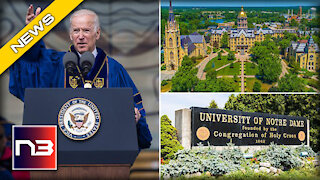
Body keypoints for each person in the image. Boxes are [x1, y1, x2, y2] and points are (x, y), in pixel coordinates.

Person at [9, 5, 152, 149]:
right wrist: (31, 33)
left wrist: (135, 117)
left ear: (97, 33)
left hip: (104, 151)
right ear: (71, 35)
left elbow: (134, 108)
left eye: (86, 30)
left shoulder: (113, 69)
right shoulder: (55, 64)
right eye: (76, 30)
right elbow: (31, 62)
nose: (81, 36)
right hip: (61, 151)